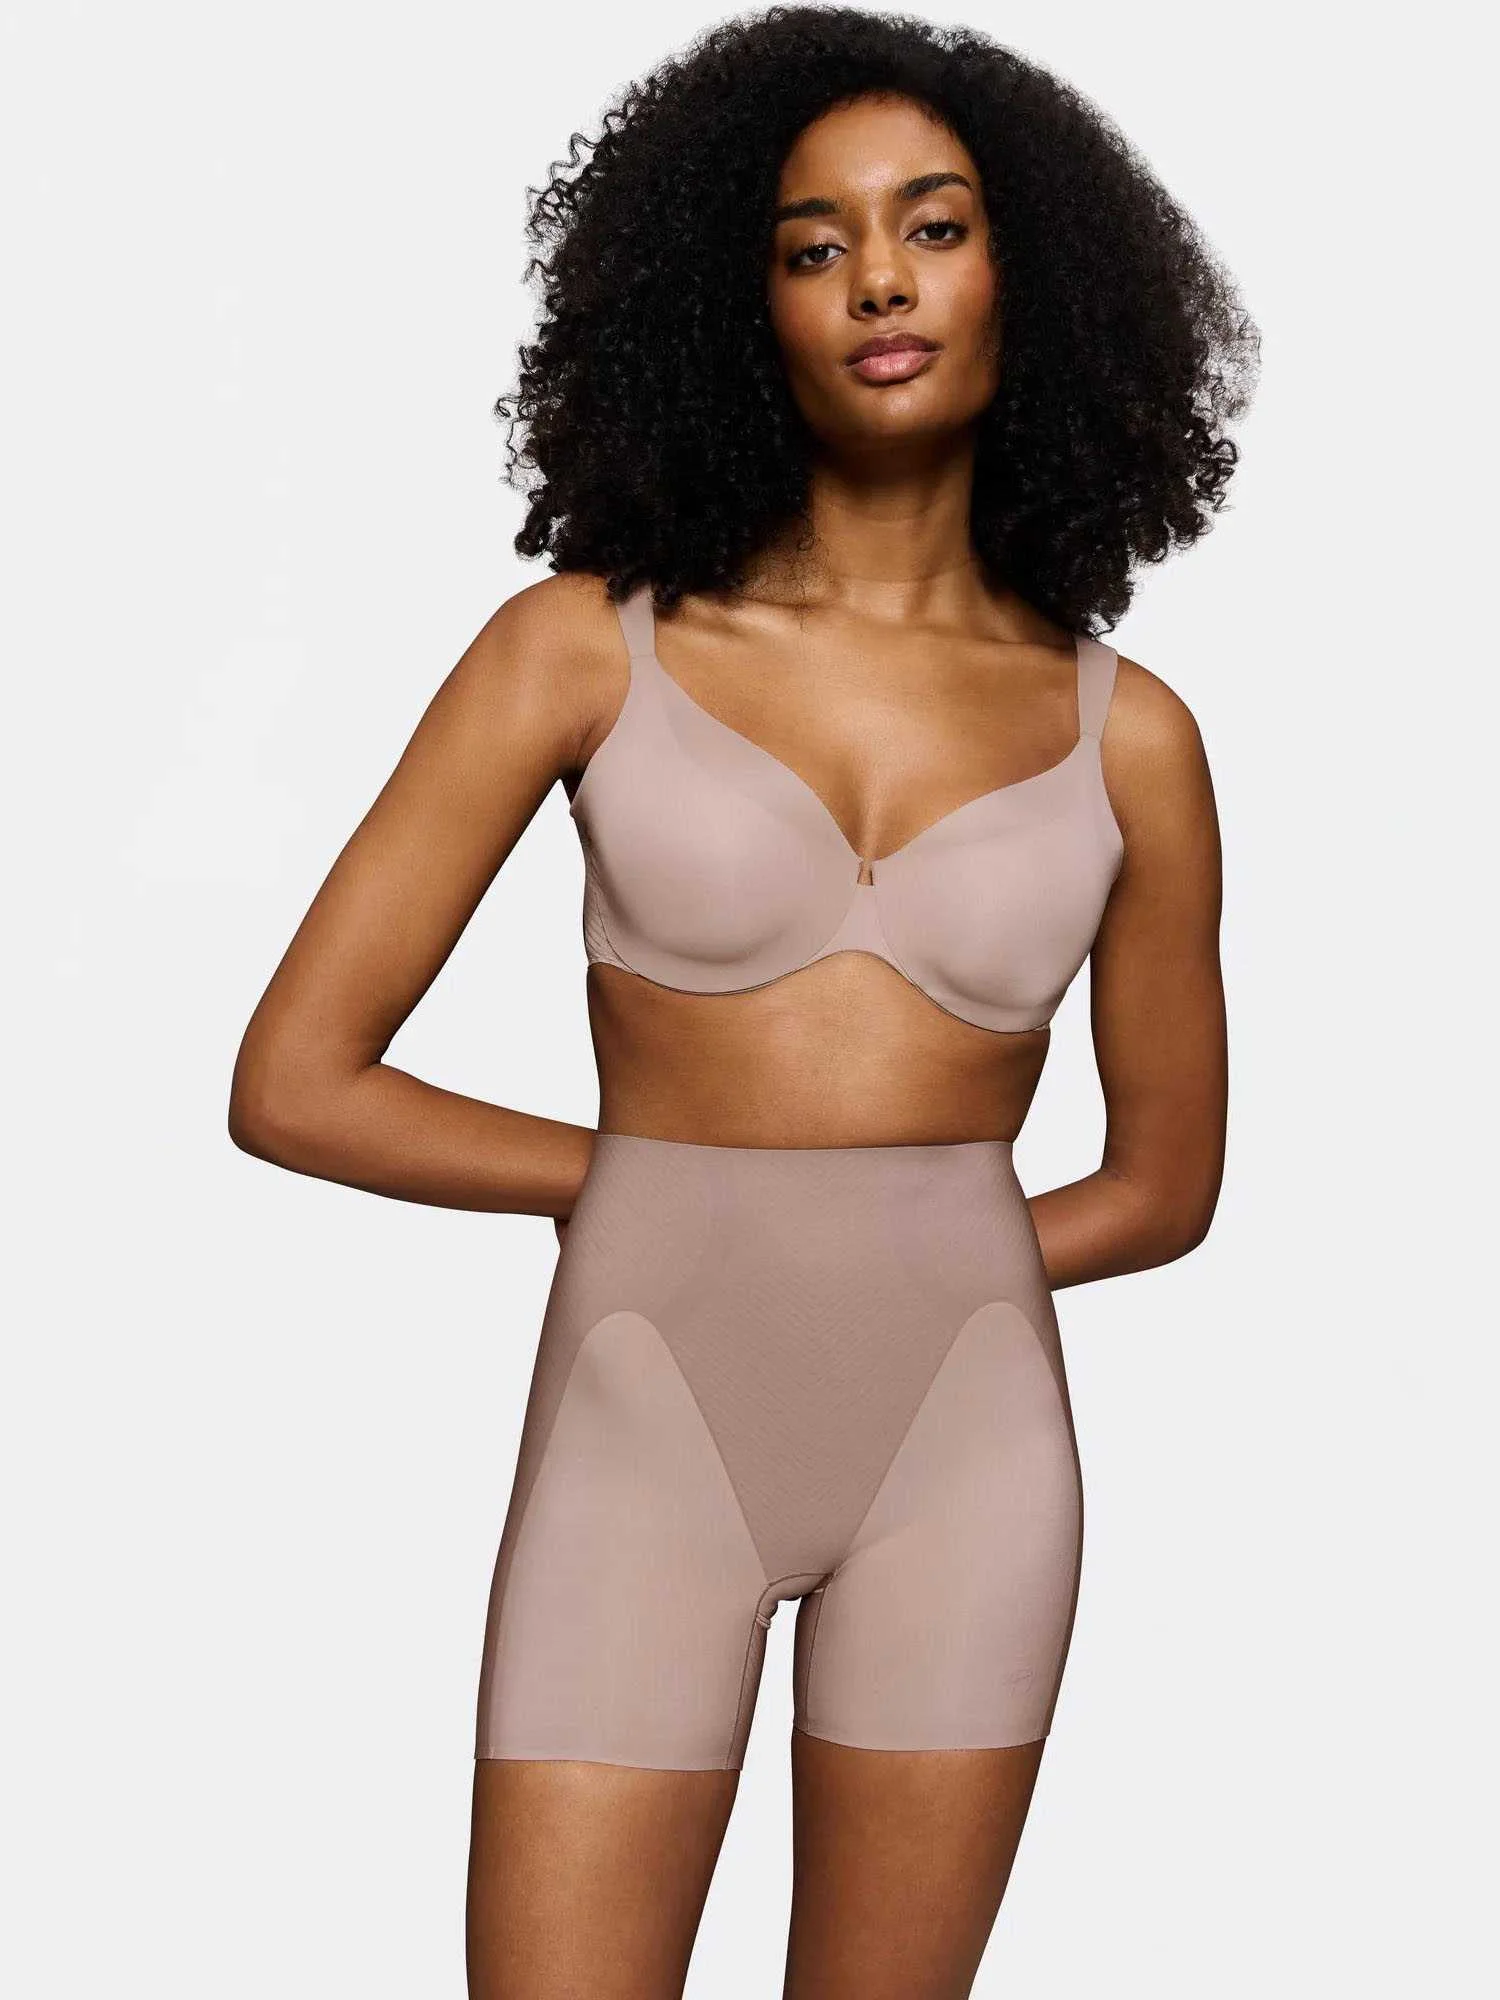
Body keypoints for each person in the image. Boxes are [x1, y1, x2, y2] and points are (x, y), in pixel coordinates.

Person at [229, 8, 1257, 1995]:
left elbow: (1166, 1186)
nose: (878, 279)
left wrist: (897, 1255)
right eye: (812, 243)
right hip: (645, 1421)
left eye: (932, 226)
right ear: (737, 306)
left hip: (971, 1449)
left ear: (1030, 278)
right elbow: (296, 1078)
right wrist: (645, 1191)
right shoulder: (578, 651)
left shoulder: (1136, 739)